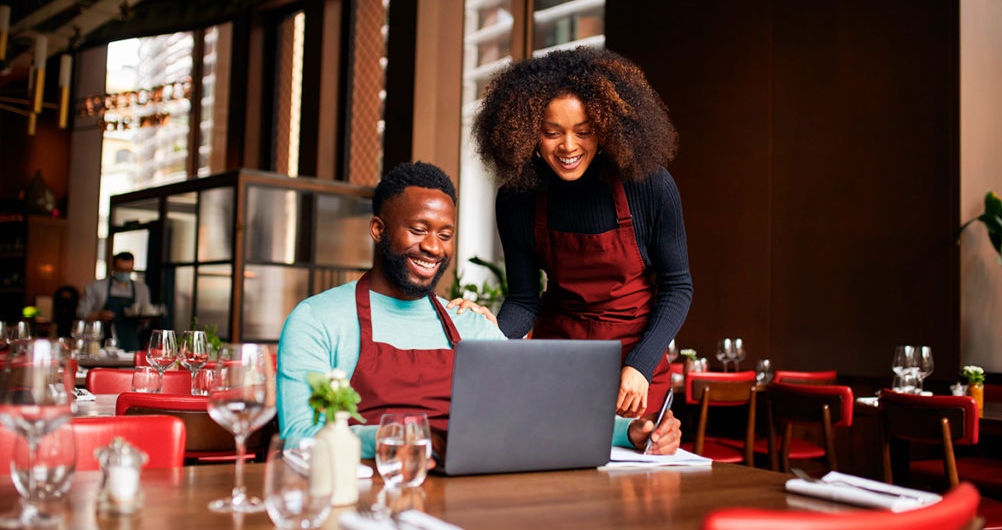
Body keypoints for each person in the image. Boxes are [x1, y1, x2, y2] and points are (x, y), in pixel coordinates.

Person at [277, 161, 681, 459]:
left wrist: (633, 433)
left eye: (445, 234)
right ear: (378, 229)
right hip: (363, 493)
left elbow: (539, 414)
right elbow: (298, 436)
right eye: (418, 230)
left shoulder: (470, 325)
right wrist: (402, 437)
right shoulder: (317, 320)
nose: (434, 247)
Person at [471, 47, 694, 419]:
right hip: (559, 357)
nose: (569, 147)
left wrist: (640, 365)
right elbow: (524, 301)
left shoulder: (649, 185)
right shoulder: (517, 199)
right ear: (528, 133)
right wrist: (486, 334)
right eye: (551, 132)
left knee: (634, 472)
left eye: (584, 131)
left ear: (605, 130)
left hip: (634, 362)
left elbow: (677, 287)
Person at [77, 251, 150, 351]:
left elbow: (146, 320)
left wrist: (143, 318)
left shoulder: (142, 289)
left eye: (128, 270)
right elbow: (80, 313)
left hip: (131, 342)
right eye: (121, 270)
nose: (124, 273)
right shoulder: (96, 286)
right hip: (101, 342)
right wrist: (98, 316)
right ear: (114, 267)